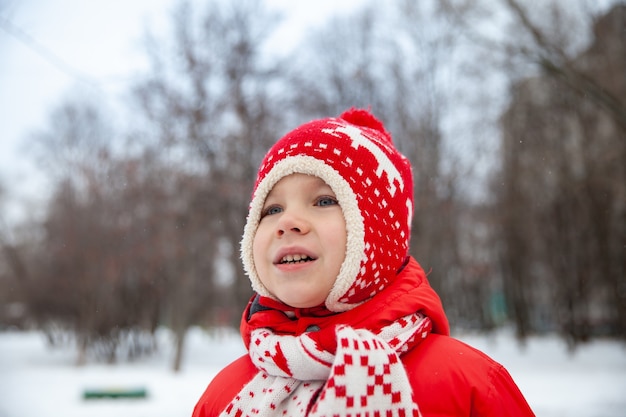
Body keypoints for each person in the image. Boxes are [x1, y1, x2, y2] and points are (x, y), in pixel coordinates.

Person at [192, 108, 535, 417]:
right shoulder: (223, 396)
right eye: (272, 209)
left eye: (324, 200)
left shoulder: (466, 386)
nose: (288, 221)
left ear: (377, 233)